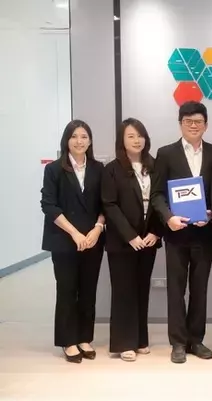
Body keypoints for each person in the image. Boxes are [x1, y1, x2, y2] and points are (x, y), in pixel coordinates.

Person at [150, 101, 212, 364]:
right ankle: (178, 342)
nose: (193, 125)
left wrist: (211, 214)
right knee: (176, 289)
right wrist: (168, 217)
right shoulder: (166, 153)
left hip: (204, 234)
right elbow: (157, 194)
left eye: (198, 121)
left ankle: (196, 340)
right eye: (188, 121)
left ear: (206, 125)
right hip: (176, 235)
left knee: (200, 289)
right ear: (180, 123)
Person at [40, 120, 105, 363]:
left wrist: (97, 228)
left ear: (90, 141)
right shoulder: (54, 169)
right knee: (67, 290)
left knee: (88, 290)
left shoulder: (98, 168)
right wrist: (74, 233)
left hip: (92, 239)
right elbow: (49, 205)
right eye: (74, 136)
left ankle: (85, 337)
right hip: (64, 239)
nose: (79, 141)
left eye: (84, 136)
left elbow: (106, 203)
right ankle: (68, 341)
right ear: (66, 140)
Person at [102, 118, 163, 362]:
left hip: (148, 239)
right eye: (131, 136)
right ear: (122, 140)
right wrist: (130, 236)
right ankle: (123, 342)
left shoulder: (155, 166)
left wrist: (156, 232)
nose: (137, 140)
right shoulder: (112, 169)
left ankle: (140, 339)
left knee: (141, 289)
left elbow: (161, 201)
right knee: (123, 291)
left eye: (140, 135)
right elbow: (110, 205)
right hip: (122, 241)